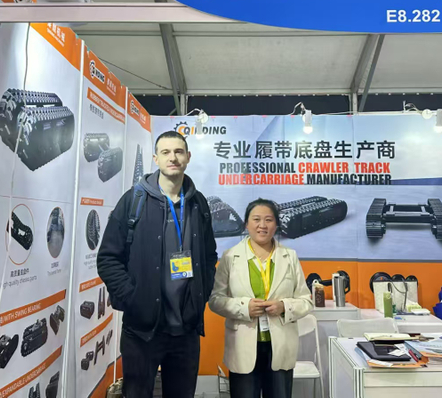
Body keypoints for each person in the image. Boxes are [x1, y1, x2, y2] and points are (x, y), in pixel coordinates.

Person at [97, 131, 217, 398]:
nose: (173, 157)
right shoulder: (133, 201)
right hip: (142, 330)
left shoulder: (198, 204)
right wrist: (133, 298)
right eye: (166, 152)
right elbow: (107, 258)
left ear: (188, 157)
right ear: (156, 158)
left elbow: (210, 255)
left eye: (178, 152)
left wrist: (202, 293)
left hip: (186, 329)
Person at [209, 198, 313, 398]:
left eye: (268, 220)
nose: (262, 225)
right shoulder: (230, 257)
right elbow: (215, 300)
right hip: (242, 346)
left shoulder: (289, 256)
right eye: (256, 219)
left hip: (280, 346)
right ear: (246, 224)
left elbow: (305, 300)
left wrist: (284, 306)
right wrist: (243, 307)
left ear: (276, 225)